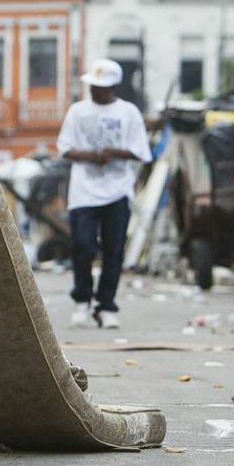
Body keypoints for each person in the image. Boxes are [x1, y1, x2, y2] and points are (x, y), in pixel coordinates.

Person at [57, 59, 151, 330]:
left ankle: (106, 305)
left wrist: (113, 153)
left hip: (117, 190)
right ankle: (82, 300)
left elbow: (141, 151)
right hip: (84, 191)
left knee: (114, 249)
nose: (95, 91)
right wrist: (91, 155)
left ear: (113, 87)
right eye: (93, 86)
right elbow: (64, 148)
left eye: (101, 87)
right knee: (82, 245)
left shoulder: (128, 112)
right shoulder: (77, 111)